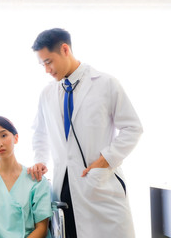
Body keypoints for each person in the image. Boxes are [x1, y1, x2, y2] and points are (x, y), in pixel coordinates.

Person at [27, 28, 143, 238]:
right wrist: (40, 159)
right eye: (42, 64)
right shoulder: (47, 93)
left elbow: (133, 128)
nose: (46, 69)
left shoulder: (105, 84)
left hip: (100, 184)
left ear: (65, 49)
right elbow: (39, 132)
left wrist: (105, 160)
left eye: (48, 61)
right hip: (65, 189)